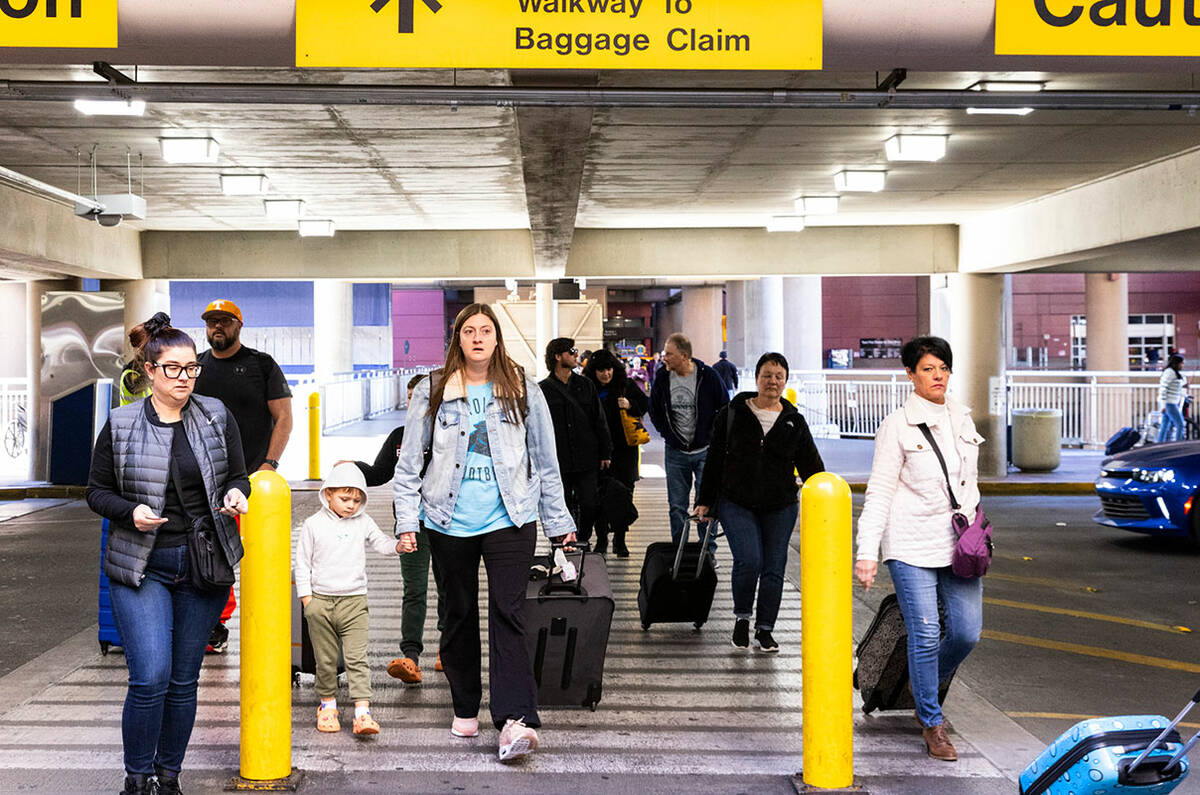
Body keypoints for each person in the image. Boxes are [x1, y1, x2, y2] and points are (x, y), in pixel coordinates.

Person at [392, 303, 577, 763]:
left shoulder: (524, 390)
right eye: (468, 330)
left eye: (486, 330)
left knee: (508, 613)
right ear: (458, 339)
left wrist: (560, 528)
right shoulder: (432, 390)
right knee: (457, 614)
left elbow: (546, 462)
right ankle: (464, 705)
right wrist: (407, 522)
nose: (477, 337)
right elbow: (409, 465)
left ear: (497, 339)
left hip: (511, 519)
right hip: (447, 519)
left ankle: (517, 719)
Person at [85, 313, 250, 795]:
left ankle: (169, 776)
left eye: (192, 368)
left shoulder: (217, 416)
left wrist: (240, 495)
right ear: (150, 370)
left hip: (202, 564)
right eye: (174, 369)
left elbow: (238, 476)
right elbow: (95, 492)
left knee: (182, 681)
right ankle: (137, 777)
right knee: (151, 676)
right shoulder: (120, 424)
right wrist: (129, 510)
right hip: (141, 566)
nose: (184, 378)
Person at [854, 336, 984, 763]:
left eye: (943, 367)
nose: (938, 376)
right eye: (928, 369)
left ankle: (918, 681)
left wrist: (977, 524)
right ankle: (931, 720)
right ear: (911, 375)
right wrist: (867, 551)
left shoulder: (962, 418)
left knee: (966, 633)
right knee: (926, 633)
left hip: (959, 545)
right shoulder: (897, 425)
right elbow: (880, 491)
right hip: (909, 543)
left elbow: (968, 484)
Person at [694, 352, 824, 653]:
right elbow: (714, 461)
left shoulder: (795, 421)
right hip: (735, 500)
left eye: (779, 376)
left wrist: (824, 499)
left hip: (780, 505)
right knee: (749, 560)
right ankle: (742, 619)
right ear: (756, 379)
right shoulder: (732, 414)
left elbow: (813, 469)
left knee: (774, 566)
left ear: (786, 381)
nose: (773, 381)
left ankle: (765, 629)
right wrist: (705, 501)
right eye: (767, 375)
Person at [193, 298, 293, 654]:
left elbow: (283, 417)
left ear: (239, 324)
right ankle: (216, 624)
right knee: (213, 554)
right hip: (207, 482)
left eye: (224, 321)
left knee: (259, 558)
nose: (217, 327)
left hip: (254, 483)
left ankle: (267, 625)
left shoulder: (260, 365)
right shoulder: (197, 368)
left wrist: (270, 465)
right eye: (211, 322)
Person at [294, 462, 415, 737]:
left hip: (354, 603)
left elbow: (381, 543)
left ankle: (362, 713)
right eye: (344, 498)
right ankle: (327, 705)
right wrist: (307, 602)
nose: (351, 505)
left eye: (356, 499)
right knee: (325, 661)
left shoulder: (363, 522)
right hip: (320, 603)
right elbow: (302, 564)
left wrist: (398, 546)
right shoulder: (313, 525)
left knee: (357, 659)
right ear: (328, 495)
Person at [341, 373, 446, 685]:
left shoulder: (448, 435)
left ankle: (447, 650)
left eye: (422, 397)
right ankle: (411, 658)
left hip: (447, 524)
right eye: (411, 397)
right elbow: (379, 473)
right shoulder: (399, 436)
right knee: (414, 590)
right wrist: (351, 466)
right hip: (410, 523)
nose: (415, 403)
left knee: (448, 589)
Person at [648, 332, 730, 552]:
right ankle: (679, 550)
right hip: (675, 451)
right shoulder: (663, 377)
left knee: (706, 505)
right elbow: (654, 408)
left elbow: (725, 408)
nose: (664, 358)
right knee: (677, 506)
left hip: (705, 451)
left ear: (684, 356)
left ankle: (707, 551)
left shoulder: (708, 376)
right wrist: (666, 433)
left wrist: (714, 436)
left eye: (669, 354)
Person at [539, 338, 611, 545]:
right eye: (571, 351)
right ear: (558, 356)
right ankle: (565, 543)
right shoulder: (543, 390)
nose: (576, 355)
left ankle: (583, 538)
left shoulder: (585, 385)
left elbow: (599, 420)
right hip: (558, 459)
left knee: (589, 504)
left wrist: (606, 452)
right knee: (562, 504)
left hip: (586, 457)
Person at [582, 348, 649, 556]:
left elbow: (645, 404)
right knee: (600, 498)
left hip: (624, 452)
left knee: (624, 497)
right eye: (601, 370)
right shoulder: (587, 389)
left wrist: (630, 404)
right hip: (599, 453)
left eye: (609, 369)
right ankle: (602, 539)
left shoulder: (625, 386)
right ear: (593, 371)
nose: (606, 374)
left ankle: (620, 540)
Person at [1157, 353, 1188, 443]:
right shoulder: (1169, 373)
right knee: (1180, 424)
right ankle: (1179, 444)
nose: (1182, 365)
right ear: (1177, 363)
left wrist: (1185, 395)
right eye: (1181, 363)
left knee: (1165, 425)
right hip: (1168, 403)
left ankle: (1160, 444)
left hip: (1171, 402)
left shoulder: (1174, 373)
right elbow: (1163, 389)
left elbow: (1179, 384)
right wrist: (1163, 405)